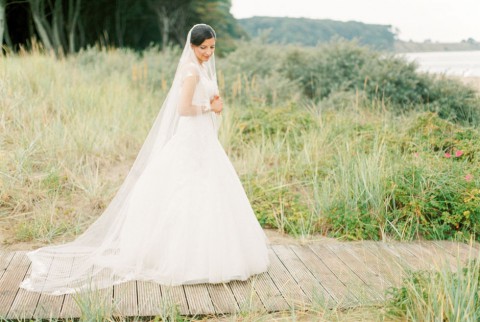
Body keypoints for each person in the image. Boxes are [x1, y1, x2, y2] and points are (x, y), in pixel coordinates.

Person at [19, 24, 270, 295]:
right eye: (203, 48)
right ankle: (184, 259)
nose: (208, 52)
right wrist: (211, 106)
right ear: (192, 46)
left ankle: (213, 253)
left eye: (212, 47)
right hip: (191, 139)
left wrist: (213, 102)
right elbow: (183, 109)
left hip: (203, 139)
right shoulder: (190, 71)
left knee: (209, 190)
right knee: (185, 190)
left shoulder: (200, 69)